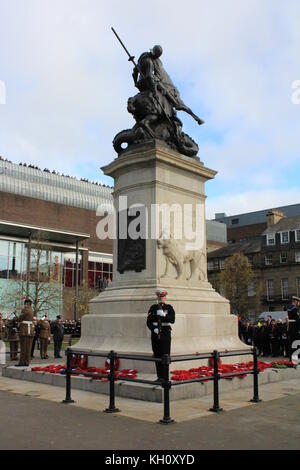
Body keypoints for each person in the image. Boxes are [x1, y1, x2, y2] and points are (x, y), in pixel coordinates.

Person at [146, 289, 175, 382]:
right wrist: (153, 329)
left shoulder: (169, 307)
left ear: (165, 298)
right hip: (155, 334)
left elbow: (172, 320)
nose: (161, 298)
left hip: (165, 334)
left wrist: (163, 315)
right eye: (159, 297)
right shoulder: (153, 307)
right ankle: (159, 377)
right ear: (157, 297)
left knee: (165, 356)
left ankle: (165, 377)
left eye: (162, 297)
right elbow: (148, 321)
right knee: (157, 356)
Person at [16, 299, 35, 367]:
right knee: (28, 347)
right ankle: (27, 361)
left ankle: (22, 362)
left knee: (23, 347)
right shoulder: (31, 310)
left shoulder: (25, 309)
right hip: (30, 330)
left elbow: (20, 318)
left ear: (26, 304)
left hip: (25, 330)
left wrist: (15, 318)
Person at [287, 296, 300, 361]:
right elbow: (298, 320)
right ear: (296, 301)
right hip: (295, 329)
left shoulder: (290, 308)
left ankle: (292, 359)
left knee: (293, 345)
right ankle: (294, 360)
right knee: (295, 345)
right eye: (298, 302)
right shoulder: (294, 309)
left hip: (292, 328)